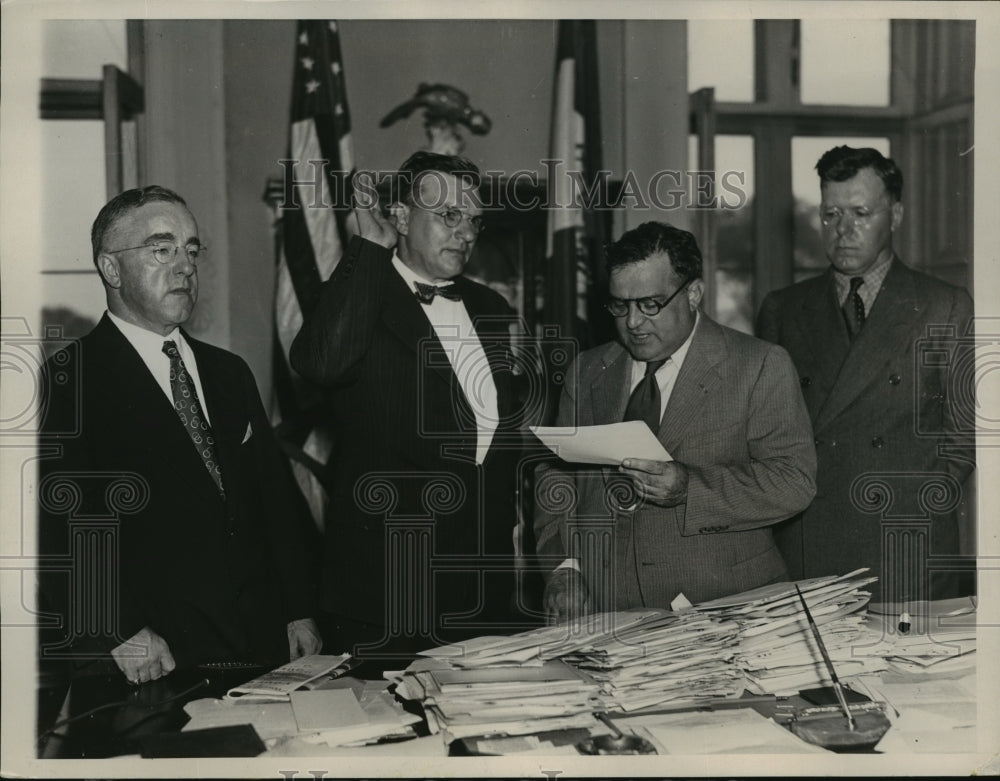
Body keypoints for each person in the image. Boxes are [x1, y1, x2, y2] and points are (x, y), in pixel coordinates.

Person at [38, 186, 321, 685]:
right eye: (162, 248)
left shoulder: (229, 373)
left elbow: (274, 503)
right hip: (154, 659)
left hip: (263, 648)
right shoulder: (70, 377)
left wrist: (298, 609)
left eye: (192, 250)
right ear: (110, 269)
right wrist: (119, 630)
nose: (185, 265)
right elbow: (59, 524)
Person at [290, 152, 524, 657]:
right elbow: (320, 364)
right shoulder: (359, 292)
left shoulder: (492, 308)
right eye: (448, 216)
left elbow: (498, 437)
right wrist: (369, 249)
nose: (465, 233)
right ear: (399, 217)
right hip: (384, 591)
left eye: (474, 221)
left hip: (483, 591)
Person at [534, 222, 817, 620]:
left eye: (650, 304)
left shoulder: (759, 365)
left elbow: (793, 483)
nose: (632, 322)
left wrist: (690, 489)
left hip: (723, 611)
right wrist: (565, 568)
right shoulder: (587, 371)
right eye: (620, 304)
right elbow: (556, 478)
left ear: (694, 294)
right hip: (606, 614)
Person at [757, 146, 975, 600]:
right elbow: (766, 438)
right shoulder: (783, 308)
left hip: (905, 544)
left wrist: (916, 504)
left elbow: (964, 435)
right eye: (831, 214)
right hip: (808, 547)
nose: (844, 230)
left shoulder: (944, 305)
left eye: (861, 212)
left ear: (894, 215)